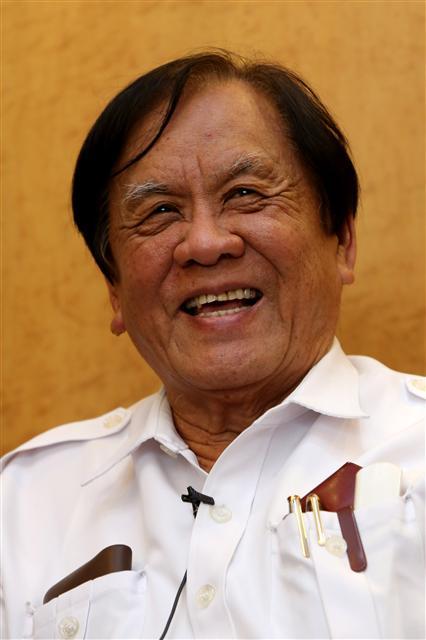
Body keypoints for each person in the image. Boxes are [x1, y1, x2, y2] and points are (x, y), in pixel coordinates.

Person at [1, 51, 425, 640]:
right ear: (114, 288)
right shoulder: (22, 506)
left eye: (246, 193)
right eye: (159, 212)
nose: (204, 243)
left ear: (342, 240)